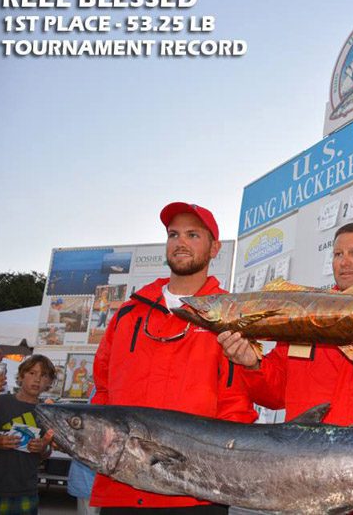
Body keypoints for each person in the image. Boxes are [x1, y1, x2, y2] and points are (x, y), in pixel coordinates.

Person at [91, 202, 257, 513]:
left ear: (214, 248)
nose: (180, 242)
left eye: (193, 235)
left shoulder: (230, 316)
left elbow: (237, 407)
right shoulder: (128, 314)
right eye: (173, 234)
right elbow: (102, 393)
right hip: (122, 490)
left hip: (195, 495)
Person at [218, 221, 353, 427]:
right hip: (304, 455)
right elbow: (274, 395)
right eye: (338, 254)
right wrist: (253, 365)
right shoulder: (303, 316)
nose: (344, 262)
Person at [0, 354, 56, 515]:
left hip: (24, 490)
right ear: (21, 376)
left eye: (43, 375)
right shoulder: (0, 402)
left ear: (49, 383)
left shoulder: (47, 413)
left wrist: (43, 447)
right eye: (32, 373)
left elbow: (47, 452)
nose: (37, 379)